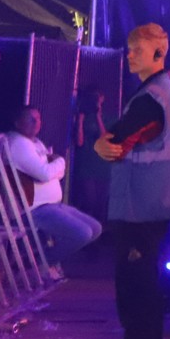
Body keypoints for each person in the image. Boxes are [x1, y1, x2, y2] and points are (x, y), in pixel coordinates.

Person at [94, 23, 170, 339]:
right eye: (129, 48)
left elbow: (116, 142)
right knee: (146, 297)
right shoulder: (162, 92)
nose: (129, 55)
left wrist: (101, 143)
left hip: (139, 211)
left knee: (136, 301)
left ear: (158, 53)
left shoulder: (150, 99)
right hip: (154, 207)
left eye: (137, 50)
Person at [7, 105, 102, 278]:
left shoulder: (36, 142)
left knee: (95, 228)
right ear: (17, 122)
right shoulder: (18, 144)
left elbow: (54, 174)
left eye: (38, 118)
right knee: (83, 233)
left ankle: (42, 262)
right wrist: (60, 161)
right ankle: (38, 264)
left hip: (52, 205)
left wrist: (53, 168)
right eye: (30, 119)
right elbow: (45, 174)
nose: (36, 122)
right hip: (35, 209)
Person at [70, 85, 111, 221]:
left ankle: (99, 230)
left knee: (101, 204)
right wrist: (80, 120)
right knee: (89, 201)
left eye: (98, 99)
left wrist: (98, 117)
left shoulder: (107, 118)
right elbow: (79, 142)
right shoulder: (82, 117)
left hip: (102, 167)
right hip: (86, 166)